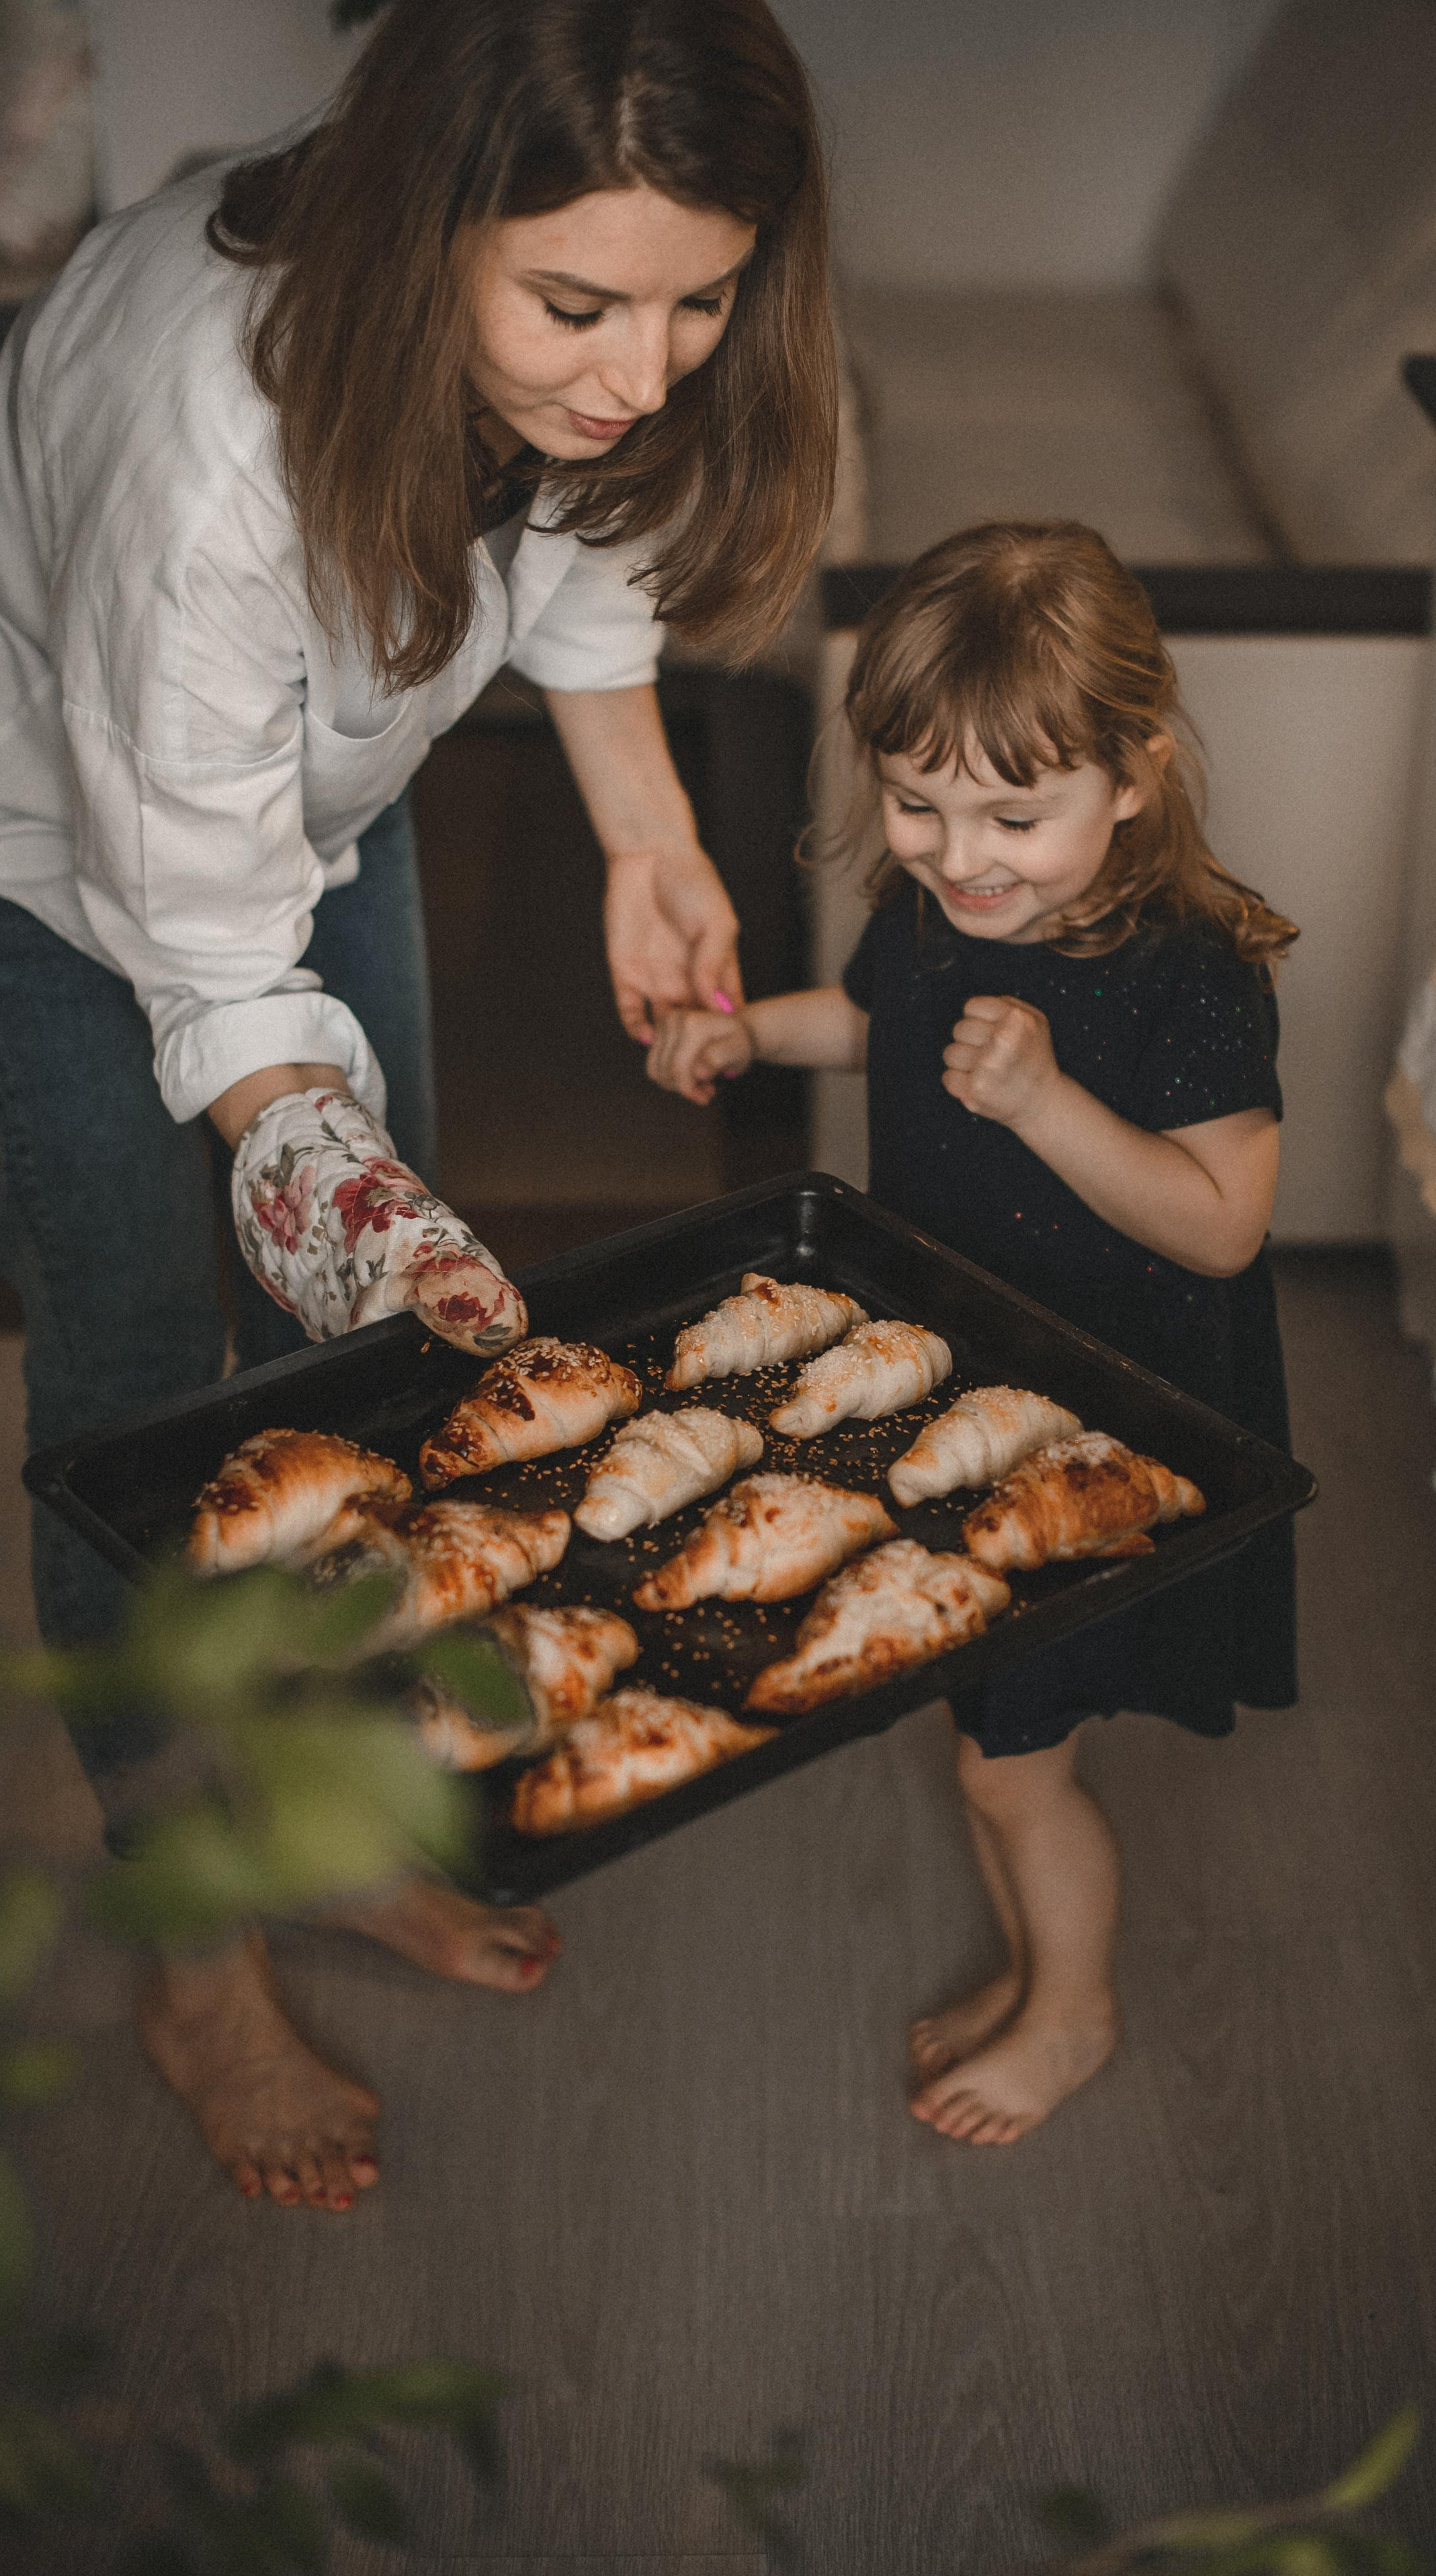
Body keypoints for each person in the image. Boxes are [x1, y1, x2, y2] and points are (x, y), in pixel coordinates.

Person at [0, 0, 837, 2209]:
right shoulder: (203, 465)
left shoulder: (564, 359)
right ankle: (193, 1943)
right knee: (132, 1371)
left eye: (700, 300)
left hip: (309, 810)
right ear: (423, 226)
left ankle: (329, 1816)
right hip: (59, 858)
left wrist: (651, 832)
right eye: (577, 304)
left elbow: (577, 540)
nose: (642, 370)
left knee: (359, 1354)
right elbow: (207, 962)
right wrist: (326, 1170)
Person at [646, 522, 1298, 2146]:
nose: (960, 852)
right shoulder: (939, 913)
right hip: (970, 1383)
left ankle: (1070, 2010)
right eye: (918, 802)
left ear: (1132, 775)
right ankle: (1031, 1973)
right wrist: (743, 1037)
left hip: (1107, 1421)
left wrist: (1048, 1105)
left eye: (1017, 814)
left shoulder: (1186, 977)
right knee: (989, 1722)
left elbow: (1221, 1222)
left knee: (1011, 1757)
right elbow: (880, 1026)